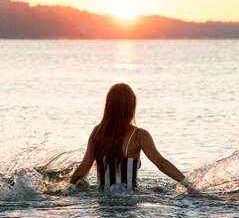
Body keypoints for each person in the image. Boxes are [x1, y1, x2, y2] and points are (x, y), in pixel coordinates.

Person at [68, 83, 197, 193]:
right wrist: (188, 185)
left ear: (108, 106)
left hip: (102, 200)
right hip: (129, 199)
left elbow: (82, 170)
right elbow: (161, 163)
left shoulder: (97, 132)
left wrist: (69, 187)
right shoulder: (139, 135)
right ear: (131, 106)